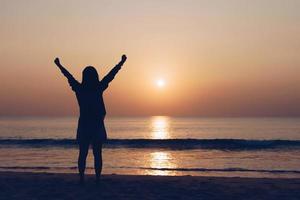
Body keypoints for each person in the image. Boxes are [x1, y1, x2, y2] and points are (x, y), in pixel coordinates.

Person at [54, 55, 127, 184]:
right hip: (96, 125)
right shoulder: (97, 88)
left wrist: (59, 66)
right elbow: (111, 75)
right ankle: (96, 178)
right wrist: (121, 63)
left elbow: (68, 76)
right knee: (96, 154)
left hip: (85, 126)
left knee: (83, 153)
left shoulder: (80, 89)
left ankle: (82, 178)